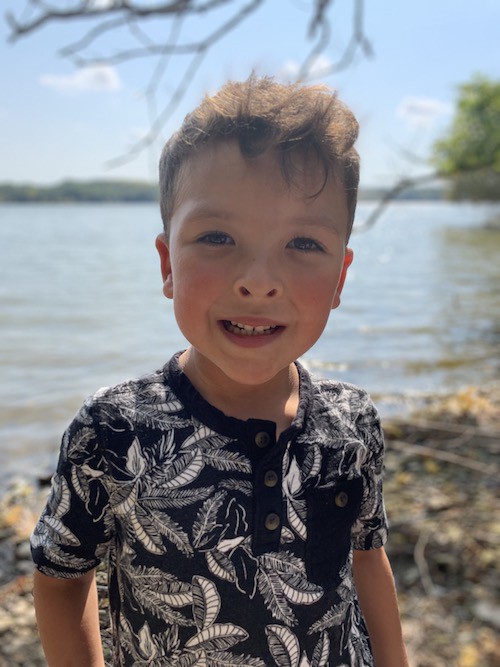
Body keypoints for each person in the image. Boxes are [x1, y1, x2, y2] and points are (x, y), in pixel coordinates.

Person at [31, 75, 409, 666]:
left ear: (340, 277)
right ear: (168, 264)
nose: (258, 279)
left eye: (303, 244)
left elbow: (367, 558)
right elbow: (61, 579)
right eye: (217, 237)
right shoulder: (113, 430)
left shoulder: (351, 421)